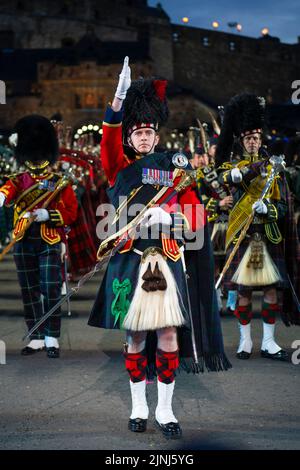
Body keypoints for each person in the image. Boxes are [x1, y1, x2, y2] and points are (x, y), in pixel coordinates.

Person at [89, 57, 231, 439]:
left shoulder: (174, 169)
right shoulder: (117, 166)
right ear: (129, 136)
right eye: (137, 132)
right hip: (130, 260)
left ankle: (165, 411)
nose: (145, 138)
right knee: (135, 336)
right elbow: (108, 137)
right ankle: (138, 406)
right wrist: (118, 99)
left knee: (169, 335)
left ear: (157, 135)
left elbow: (197, 217)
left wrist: (172, 221)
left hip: (167, 259)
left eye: (150, 132)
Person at [216, 94, 300, 360]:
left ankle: (268, 342)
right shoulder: (234, 166)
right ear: (241, 141)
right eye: (248, 138)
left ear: (262, 141)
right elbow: (229, 178)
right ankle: (244, 342)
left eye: (256, 138)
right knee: (243, 292)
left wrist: (269, 209)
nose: (252, 142)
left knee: (272, 290)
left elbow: (285, 206)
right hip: (243, 234)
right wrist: (254, 169)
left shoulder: (276, 170)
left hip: (268, 235)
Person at [0, 115, 78, 358]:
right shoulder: (17, 181)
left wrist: (49, 214)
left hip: (49, 240)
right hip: (23, 241)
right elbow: (7, 192)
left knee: (50, 288)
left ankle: (51, 336)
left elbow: (71, 212)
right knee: (29, 289)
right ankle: (35, 337)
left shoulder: (60, 182)